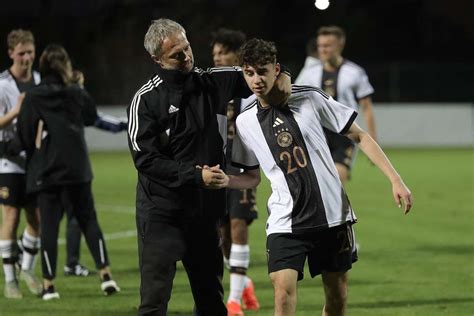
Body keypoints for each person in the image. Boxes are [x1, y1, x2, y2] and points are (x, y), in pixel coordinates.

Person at [222, 38, 412, 316]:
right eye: (249, 73)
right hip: (285, 220)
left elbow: (358, 134)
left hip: (332, 215)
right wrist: (225, 180)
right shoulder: (245, 121)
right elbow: (252, 177)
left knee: (337, 299)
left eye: (262, 71)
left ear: (277, 69)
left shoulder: (309, 97)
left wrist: (396, 179)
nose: (256, 80)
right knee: (282, 292)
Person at [127, 19, 290, 316]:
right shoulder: (146, 100)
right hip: (162, 213)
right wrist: (195, 175)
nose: (187, 57)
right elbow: (145, 160)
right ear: (157, 60)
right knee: (154, 301)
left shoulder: (214, 80)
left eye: (187, 48)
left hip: (204, 214)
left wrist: (284, 76)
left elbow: (262, 69)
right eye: (176, 55)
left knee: (211, 302)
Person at [14, 44, 120, 300]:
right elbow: (90, 116)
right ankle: (106, 276)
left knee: (49, 227)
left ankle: (49, 286)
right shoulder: (76, 92)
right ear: (66, 65)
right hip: (78, 168)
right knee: (89, 221)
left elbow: (25, 137)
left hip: (48, 169)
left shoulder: (34, 96)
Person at [211, 28, 260, 315]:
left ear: (237, 57)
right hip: (218, 166)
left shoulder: (250, 87)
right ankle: (245, 284)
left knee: (238, 227)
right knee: (223, 237)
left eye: (223, 53)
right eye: (214, 53)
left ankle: (233, 300)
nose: (217, 58)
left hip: (243, 167)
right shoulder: (211, 87)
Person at [63, 70, 127, 277]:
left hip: (46, 167)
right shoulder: (76, 101)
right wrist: (132, 122)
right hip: (71, 167)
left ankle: (22, 257)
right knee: (76, 215)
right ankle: (71, 265)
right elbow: (99, 120)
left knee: (46, 217)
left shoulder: (49, 102)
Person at [295, 26, 377, 185]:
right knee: (317, 184)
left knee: (338, 180)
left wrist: (372, 140)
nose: (323, 50)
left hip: (345, 136)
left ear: (340, 45)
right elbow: (294, 101)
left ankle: (337, 209)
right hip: (317, 134)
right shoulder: (309, 73)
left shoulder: (355, 72)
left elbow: (366, 107)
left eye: (327, 45)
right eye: (320, 46)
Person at [0, 29, 42, 299]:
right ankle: (10, 280)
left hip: (34, 161)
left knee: (37, 219)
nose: (27, 57)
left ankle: (27, 269)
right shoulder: (2, 84)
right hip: (8, 161)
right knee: (11, 216)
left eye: (30, 52)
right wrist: (17, 110)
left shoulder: (39, 81)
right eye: (22, 53)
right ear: (11, 54)